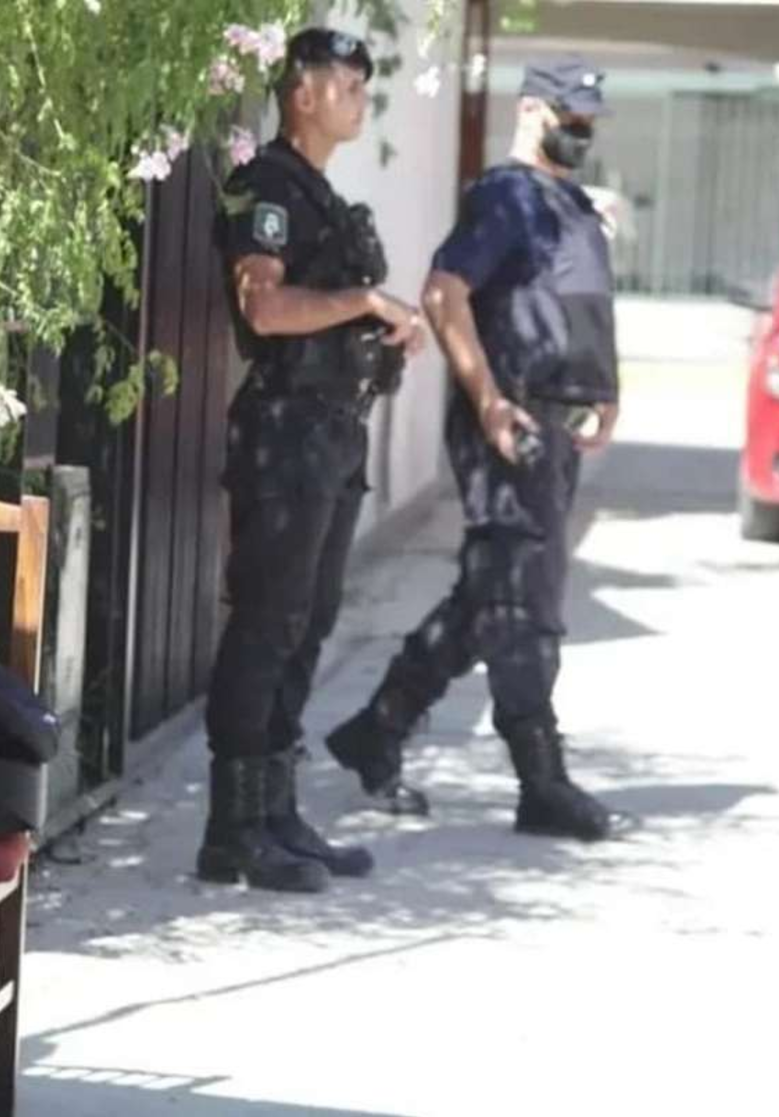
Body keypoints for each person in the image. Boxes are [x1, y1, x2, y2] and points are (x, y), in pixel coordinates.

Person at [325, 56, 628, 841]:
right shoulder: (505, 197)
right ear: (531, 110)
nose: (581, 133)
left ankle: (376, 730)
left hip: (554, 425)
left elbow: (580, 309)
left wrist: (604, 393)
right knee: (521, 604)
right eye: (571, 118)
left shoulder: (568, 204)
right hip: (511, 425)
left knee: (487, 599)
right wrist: (489, 400)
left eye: (589, 122)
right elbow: (441, 291)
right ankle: (541, 780)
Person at [197, 27, 427, 894]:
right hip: (284, 435)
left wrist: (386, 329)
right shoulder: (266, 187)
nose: (359, 99)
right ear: (302, 92)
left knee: (310, 618)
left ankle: (276, 810)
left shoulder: (323, 197)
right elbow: (264, 307)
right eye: (348, 86)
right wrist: (362, 298)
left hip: (332, 434)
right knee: (265, 622)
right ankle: (231, 830)